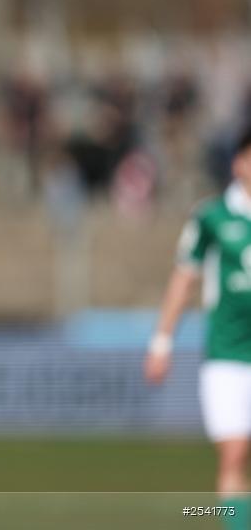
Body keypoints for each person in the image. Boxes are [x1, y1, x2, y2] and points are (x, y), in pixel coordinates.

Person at [146, 124, 251, 530]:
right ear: (238, 163)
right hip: (227, 354)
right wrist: (161, 342)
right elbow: (183, 280)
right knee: (234, 454)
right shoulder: (212, 216)